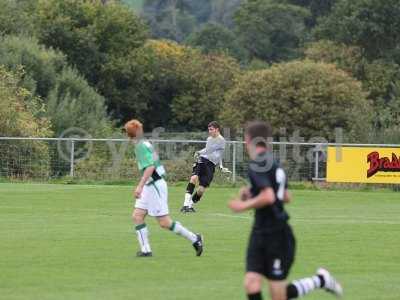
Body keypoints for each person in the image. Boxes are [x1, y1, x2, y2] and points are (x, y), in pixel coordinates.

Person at [228, 121, 343, 300]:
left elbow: (269, 197)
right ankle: (321, 280)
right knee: (251, 282)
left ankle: (320, 280)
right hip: (259, 232)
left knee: (278, 295)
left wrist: (242, 205)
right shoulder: (272, 161)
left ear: (248, 140)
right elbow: (286, 196)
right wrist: (251, 193)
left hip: (277, 234)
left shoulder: (258, 163)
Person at [125, 119, 203, 257]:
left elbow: (150, 166)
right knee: (137, 216)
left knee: (164, 222)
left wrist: (139, 186)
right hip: (151, 185)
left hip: (155, 185)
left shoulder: (140, 146)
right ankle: (146, 250)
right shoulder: (145, 143)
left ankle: (194, 238)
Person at [181, 121, 227, 213]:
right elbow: (207, 150)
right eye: (209, 129)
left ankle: (190, 205)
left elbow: (213, 152)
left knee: (201, 190)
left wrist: (221, 166)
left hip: (211, 165)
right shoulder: (209, 139)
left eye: (211, 129)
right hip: (202, 160)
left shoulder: (221, 140)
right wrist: (199, 153)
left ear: (217, 129)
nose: (209, 131)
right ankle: (185, 205)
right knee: (194, 178)